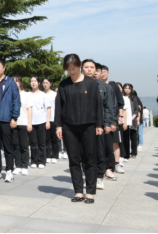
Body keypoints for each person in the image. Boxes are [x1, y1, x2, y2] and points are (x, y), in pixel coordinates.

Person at [56, 54, 104, 204]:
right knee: (74, 159)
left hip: (88, 126)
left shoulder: (91, 83)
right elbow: (59, 106)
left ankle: (90, 192)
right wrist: (58, 125)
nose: (71, 72)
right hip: (69, 127)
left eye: (74, 69)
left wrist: (99, 124)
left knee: (90, 159)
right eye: (68, 69)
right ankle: (78, 191)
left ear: (80, 66)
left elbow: (98, 105)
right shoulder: (64, 85)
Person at [82, 60, 114, 189]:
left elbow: (108, 106)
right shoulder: (77, 84)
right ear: (82, 69)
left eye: (92, 67)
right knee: (85, 152)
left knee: (99, 151)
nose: (89, 70)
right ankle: (88, 177)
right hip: (82, 124)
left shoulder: (103, 86)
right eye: (86, 67)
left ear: (95, 70)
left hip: (98, 124)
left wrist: (107, 123)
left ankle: (99, 177)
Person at [0, 59, 21, 183]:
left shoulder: (10, 82)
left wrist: (14, 117)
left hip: (6, 119)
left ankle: (9, 171)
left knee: (8, 147)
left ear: (4, 68)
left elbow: (16, 101)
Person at [102, 66, 126, 174]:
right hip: (102, 119)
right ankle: (105, 165)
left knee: (115, 142)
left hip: (114, 119)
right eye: (101, 72)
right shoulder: (96, 85)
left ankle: (117, 164)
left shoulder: (114, 86)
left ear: (108, 73)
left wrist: (120, 116)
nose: (103, 74)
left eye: (105, 72)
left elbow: (120, 102)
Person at [28, 76, 51, 169]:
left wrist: (48, 121)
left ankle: (41, 161)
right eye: (31, 81)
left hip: (41, 121)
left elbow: (48, 108)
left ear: (38, 83)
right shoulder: (28, 94)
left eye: (35, 81)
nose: (33, 83)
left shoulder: (43, 95)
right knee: (33, 142)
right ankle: (34, 160)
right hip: (31, 122)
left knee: (41, 142)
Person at [11, 76, 32, 176]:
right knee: (15, 145)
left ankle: (24, 166)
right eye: (13, 81)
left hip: (23, 122)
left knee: (24, 145)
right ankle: (18, 165)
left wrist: (29, 123)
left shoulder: (26, 94)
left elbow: (29, 110)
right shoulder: (10, 94)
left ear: (20, 82)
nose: (15, 83)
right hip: (13, 123)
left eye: (17, 81)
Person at [43, 78, 60, 165]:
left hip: (53, 118)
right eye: (44, 83)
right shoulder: (41, 94)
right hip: (44, 119)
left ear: (50, 84)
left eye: (47, 83)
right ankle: (47, 155)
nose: (45, 84)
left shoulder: (54, 94)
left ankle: (54, 156)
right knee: (46, 138)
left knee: (54, 138)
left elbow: (58, 107)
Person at [124, 84, 139, 159]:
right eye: (125, 88)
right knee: (125, 138)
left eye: (128, 88)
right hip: (124, 120)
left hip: (132, 120)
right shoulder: (122, 97)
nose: (127, 90)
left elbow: (136, 109)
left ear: (131, 89)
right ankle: (125, 153)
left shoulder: (134, 98)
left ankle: (134, 152)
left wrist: (132, 117)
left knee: (133, 137)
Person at [119, 83, 133, 165]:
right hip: (118, 122)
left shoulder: (126, 98)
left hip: (125, 121)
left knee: (126, 139)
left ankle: (126, 155)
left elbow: (128, 112)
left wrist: (128, 122)